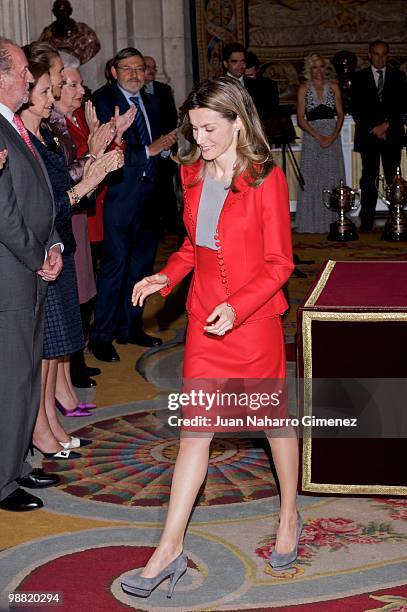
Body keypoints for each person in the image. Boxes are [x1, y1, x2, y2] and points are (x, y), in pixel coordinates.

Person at [121, 76, 300, 599]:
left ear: (238, 122)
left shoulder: (266, 178)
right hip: (205, 322)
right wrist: (166, 277)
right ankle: (168, 548)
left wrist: (238, 307)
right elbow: (192, 249)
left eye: (208, 128)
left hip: (255, 321)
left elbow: (279, 263)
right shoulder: (194, 174)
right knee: (195, 432)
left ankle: (289, 513)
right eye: (194, 129)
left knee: (271, 423)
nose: (198, 139)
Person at [20, 57, 124, 457]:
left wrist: (95, 158)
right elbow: (51, 196)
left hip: (57, 242)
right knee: (46, 349)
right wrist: (94, 168)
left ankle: (48, 422)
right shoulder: (27, 134)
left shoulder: (43, 131)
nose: (59, 94)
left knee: (54, 346)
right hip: (43, 245)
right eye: (50, 88)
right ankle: (42, 426)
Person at [0, 37, 61, 512]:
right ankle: (2, 482)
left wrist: (54, 243)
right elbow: (3, 212)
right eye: (21, 71)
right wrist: (37, 254)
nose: (28, 78)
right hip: (12, 273)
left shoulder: (15, 127)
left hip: (32, 267)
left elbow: (41, 196)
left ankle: (16, 465)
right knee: (12, 377)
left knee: (24, 374)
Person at [89, 47, 177, 362]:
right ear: (114, 71)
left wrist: (167, 150)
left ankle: (131, 327)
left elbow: (167, 142)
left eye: (140, 68)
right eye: (127, 68)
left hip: (152, 198)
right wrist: (149, 151)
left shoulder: (156, 102)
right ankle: (102, 336)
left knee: (141, 269)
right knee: (114, 268)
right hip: (117, 199)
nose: (134, 75)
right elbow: (107, 151)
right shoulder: (100, 102)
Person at [350, 40, 407, 231]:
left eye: (384, 54)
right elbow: (356, 109)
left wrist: (386, 126)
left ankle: (396, 216)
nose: (380, 58)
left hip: (392, 134)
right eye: (376, 54)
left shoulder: (399, 76)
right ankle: (366, 220)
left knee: (393, 177)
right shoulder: (358, 78)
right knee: (369, 178)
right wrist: (375, 129)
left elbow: (401, 106)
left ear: (388, 55)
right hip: (369, 136)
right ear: (369, 55)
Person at [295, 53, 345, 233]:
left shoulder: (334, 87)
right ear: (309, 69)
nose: (318, 71)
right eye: (314, 67)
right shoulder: (303, 89)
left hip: (332, 137)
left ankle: (333, 222)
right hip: (311, 138)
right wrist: (318, 136)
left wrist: (332, 136)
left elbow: (340, 115)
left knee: (331, 178)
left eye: (321, 66)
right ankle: (311, 224)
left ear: (326, 68)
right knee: (312, 180)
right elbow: (301, 119)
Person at [222, 43, 279, 124]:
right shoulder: (216, 86)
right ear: (226, 64)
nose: (240, 65)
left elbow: (268, 115)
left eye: (243, 61)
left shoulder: (260, 86)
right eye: (235, 62)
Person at [38, 0, 101, 65]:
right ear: (54, 12)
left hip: (78, 68)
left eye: (65, 11)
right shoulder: (48, 33)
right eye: (59, 11)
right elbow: (40, 51)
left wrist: (78, 61)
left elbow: (95, 45)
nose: (62, 14)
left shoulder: (83, 31)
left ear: (70, 11)